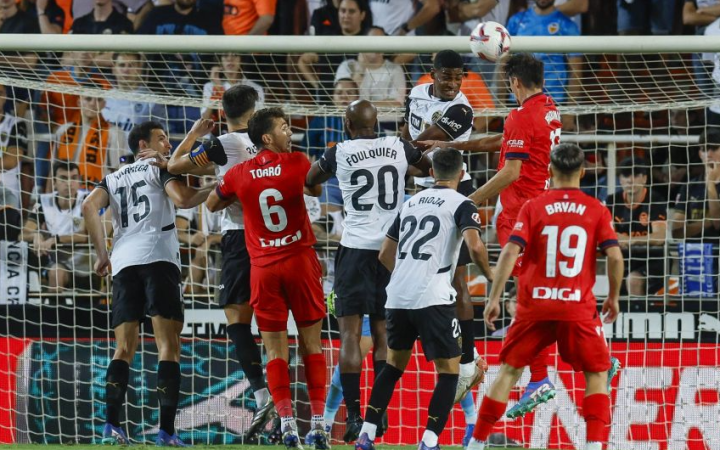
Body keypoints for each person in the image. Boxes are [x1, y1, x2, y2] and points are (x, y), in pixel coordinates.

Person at [466, 143, 623, 450]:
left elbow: (511, 251)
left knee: (509, 371)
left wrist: (495, 297)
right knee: (597, 373)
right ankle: (593, 446)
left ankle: (476, 443)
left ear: (550, 171)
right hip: (576, 306)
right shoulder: (596, 209)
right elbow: (615, 257)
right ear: (583, 172)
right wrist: (614, 297)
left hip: (533, 305)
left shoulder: (534, 206)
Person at [82, 120, 216, 446]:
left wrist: (102, 255)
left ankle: (112, 427)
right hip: (159, 260)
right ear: (143, 145)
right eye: (161, 138)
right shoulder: (159, 168)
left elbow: (88, 206)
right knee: (168, 347)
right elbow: (183, 201)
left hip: (124, 264)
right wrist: (217, 188)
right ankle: (166, 433)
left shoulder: (111, 178)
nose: (167, 145)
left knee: (124, 349)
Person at [305, 99, 431, 442]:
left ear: (347, 124)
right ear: (376, 123)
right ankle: (379, 414)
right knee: (383, 336)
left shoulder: (339, 152)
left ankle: (355, 417)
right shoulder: (398, 147)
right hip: (392, 252)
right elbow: (428, 167)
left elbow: (310, 180)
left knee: (349, 336)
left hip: (355, 250)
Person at [206, 108, 329, 450]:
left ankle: (287, 425)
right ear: (266, 138)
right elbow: (316, 192)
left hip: (263, 268)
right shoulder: (297, 162)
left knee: (275, 350)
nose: (290, 131)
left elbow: (213, 204)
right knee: (312, 345)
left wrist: (239, 193)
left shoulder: (239, 173)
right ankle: (317, 426)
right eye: (284, 127)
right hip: (299, 262)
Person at [355, 148, 493, 450]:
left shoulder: (409, 203)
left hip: (397, 296)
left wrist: (408, 272)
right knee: (449, 372)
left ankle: (365, 435)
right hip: (433, 297)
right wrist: (492, 277)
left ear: (431, 173)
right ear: (461, 174)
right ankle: (429, 442)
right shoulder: (462, 203)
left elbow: (384, 254)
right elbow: (476, 247)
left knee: (392, 368)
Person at [166, 85, 278, 440]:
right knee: (274, 324)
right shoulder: (270, 140)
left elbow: (174, 165)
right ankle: (283, 407)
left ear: (223, 112)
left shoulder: (221, 144)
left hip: (241, 239)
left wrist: (196, 134)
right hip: (276, 237)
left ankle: (262, 394)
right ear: (255, 109)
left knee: (236, 319)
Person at [401, 49, 482, 423]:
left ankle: (468, 358)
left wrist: (400, 151)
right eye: (446, 77)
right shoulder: (416, 94)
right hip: (420, 192)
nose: (452, 84)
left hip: (453, 190)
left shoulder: (463, 110)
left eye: (457, 77)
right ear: (432, 73)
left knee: (457, 279)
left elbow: (419, 143)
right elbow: (407, 134)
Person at [21, 162, 91, 292]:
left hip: (85, 265)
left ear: (79, 181)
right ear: (54, 182)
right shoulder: (43, 201)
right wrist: (36, 235)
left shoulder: (87, 199)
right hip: (58, 263)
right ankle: (53, 311)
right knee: (56, 273)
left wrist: (54, 239)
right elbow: (23, 233)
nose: (69, 183)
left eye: (74, 178)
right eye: (63, 178)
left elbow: (83, 235)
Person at [605, 158, 667, 296]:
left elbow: (660, 237)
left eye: (636, 175)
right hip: (624, 258)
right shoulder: (612, 201)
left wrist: (631, 240)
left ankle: (640, 317)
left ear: (644, 178)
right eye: (626, 176)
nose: (630, 180)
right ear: (620, 180)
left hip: (652, 259)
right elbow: (606, 234)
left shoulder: (655, 200)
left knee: (634, 280)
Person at [506, 0, 582, 107]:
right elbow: (502, 65)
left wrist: (570, 112)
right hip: (518, 99)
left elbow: (576, 70)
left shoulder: (567, 25)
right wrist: (499, 104)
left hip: (554, 100)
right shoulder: (516, 21)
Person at [53, 95, 127, 187]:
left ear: (104, 104)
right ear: (79, 102)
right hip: (65, 195)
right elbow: (53, 169)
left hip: (95, 193)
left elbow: (118, 169)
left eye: (98, 99)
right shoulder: (63, 130)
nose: (93, 103)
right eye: (88, 99)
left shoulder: (114, 133)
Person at [102, 52, 168, 135]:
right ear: (114, 69)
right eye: (122, 65)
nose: (126, 70)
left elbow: (162, 137)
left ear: (139, 69)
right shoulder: (103, 98)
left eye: (131, 65)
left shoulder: (152, 101)